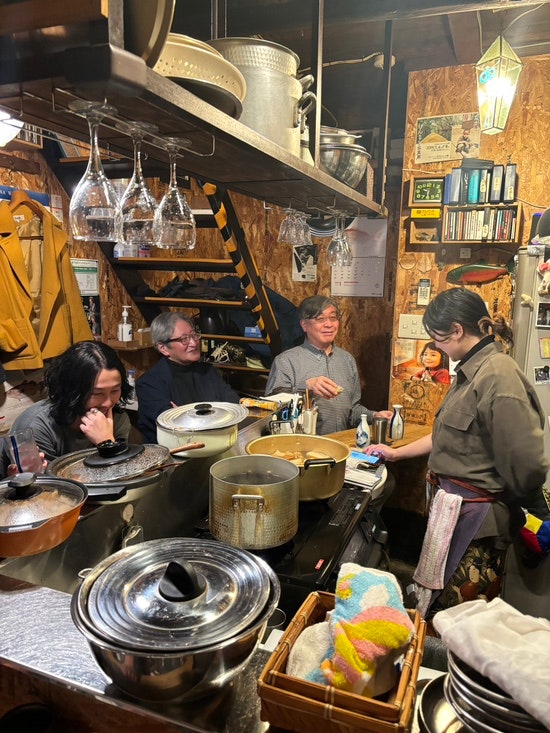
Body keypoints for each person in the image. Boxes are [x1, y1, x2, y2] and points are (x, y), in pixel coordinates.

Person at [365, 288, 549, 617]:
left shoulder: (498, 377)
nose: (437, 347)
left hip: (478, 524)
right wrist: (396, 454)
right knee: (437, 605)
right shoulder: (469, 372)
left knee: (459, 616)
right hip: (453, 512)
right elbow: (448, 436)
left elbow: (527, 465)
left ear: (457, 330)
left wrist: (528, 508)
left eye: (437, 338)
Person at [265, 295, 393, 435]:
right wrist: (305, 387)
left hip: (342, 443)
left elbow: (353, 410)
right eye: (320, 319)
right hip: (303, 444)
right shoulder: (286, 361)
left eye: (333, 318)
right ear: (304, 325)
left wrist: (374, 416)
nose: (329, 324)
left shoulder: (347, 360)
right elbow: (272, 406)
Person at [10, 341, 133, 462]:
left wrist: (107, 443)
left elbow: (121, 473)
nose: (108, 403)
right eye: (97, 393)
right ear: (72, 390)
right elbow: (43, 476)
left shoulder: (116, 419)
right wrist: (106, 445)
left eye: (115, 390)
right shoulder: (37, 427)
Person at [136, 313, 240, 443]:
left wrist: (184, 414)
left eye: (194, 335)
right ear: (163, 348)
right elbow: (175, 427)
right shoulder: (149, 384)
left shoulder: (207, 371)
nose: (193, 343)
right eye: (184, 339)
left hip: (217, 442)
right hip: (174, 451)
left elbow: (234, 406)